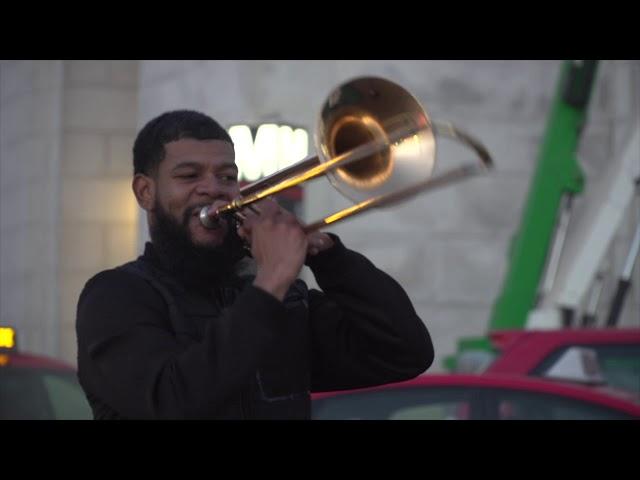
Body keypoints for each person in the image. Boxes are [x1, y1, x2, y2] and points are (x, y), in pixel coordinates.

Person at [75, 109, 434, 419]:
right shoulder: (115, 296)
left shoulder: (287, 301)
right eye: (189, 176)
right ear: (145, 192)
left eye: (227, 177)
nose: (213, 189)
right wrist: (272, 279)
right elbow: (173, 400)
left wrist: (328, 256)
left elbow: (404, 352)